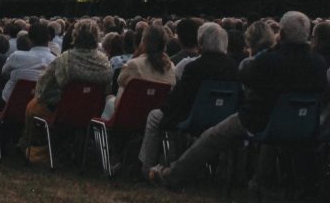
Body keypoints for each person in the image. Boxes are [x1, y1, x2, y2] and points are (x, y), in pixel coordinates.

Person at [149, 12, 327, 188]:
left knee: (212, 136)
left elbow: (246, 76)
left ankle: (174, 175)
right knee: (271, 133)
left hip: (258, 120)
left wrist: (274, 49)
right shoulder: (318, 63)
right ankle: (258, 180)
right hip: (302, 125)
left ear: (283, 34)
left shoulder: (272, 60)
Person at [139, 22, 239, 176]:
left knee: (154, 116)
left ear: (201, 43)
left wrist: (165, 108)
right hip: (224, 119)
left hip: (194, 118)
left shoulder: (194, 68)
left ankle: (147, 168)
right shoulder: (234, 68)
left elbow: (178, 98)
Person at [21, 19, 112, 159]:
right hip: (92, 112)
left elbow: (42, 87)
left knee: (32, 105)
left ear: (75, 36)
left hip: (63, 111)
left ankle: (28, 147)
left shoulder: (65, 59)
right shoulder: (105, 62)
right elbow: (106, 89)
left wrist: (43, 97)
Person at [103, 25, 176, 119]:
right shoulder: (171, 67)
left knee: (110, 99)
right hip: (157, 114)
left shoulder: (134, 65)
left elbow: (119, 81)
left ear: (144, 41)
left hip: (130, 114)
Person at [1, 23, 55, 104]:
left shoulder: (17, 56)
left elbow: (4, 73)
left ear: (29, 38)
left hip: (10, 103)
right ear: (49, 38)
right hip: (39, 106)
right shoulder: (55, 61)